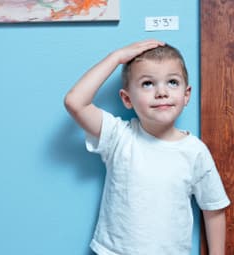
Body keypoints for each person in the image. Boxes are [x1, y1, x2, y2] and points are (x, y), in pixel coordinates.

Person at [64, 39, 230, 255]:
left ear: (186, 95)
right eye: (147, 84)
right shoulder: (119, 136)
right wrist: (117, 57)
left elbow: (213, 209)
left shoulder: (195, 152)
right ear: (127, 98)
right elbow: (75, 102)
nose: (161, 92)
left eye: (172, 82)